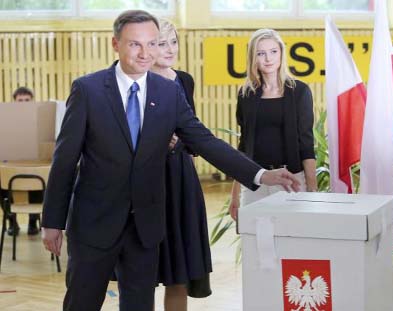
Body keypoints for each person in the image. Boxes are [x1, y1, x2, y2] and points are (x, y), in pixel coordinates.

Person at [41, 10, 300, 311]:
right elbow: (64, 160)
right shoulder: (89, 90)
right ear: (115, 44)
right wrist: (52, 222)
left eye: (152, 44)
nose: (145, 53)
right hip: (94, 224)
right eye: (135, 44)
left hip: (145, 226)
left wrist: (259, 175)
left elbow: (205, 141)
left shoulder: (167, 92)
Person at [150, 19, 211, 310]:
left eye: (173, 41)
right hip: (145, 179)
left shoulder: (184, 79)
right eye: (163, 43)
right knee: (142, 268)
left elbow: (193, 132)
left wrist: (180, 143)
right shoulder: (136, 79)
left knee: (179, 271)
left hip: (180, 178)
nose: (170, 49)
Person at [229, 28, 318, 221]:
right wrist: (235, 195)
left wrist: (311, 188)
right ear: (253, 58)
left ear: (281, 53)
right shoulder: (247, 94)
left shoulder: (300, 91)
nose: (268, 58)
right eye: (261, 53)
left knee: (292, 245)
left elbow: (306, 144)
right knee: (254, 244)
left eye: (273, 52)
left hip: (291, 180)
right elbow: (243, 146)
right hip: (255, 180)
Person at [5, 86, 41, 236]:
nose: (24, 103)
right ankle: (12, 220)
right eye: (20, 101)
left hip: (34, 166)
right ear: (14, 102)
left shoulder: (40, 120)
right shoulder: (5, 121)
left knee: (42, 177)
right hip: (11, 165)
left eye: (27, 100)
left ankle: (33, 220)